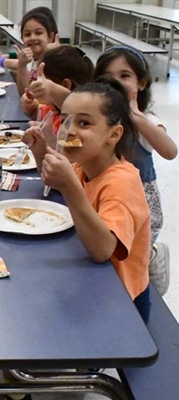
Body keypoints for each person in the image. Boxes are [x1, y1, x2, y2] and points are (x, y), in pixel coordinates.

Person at [0, 78, 151, 400]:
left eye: (85, 122)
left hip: (116, 307)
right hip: (82, 281)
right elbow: (60, 199)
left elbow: (102, 251)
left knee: (10, 324)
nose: (70, 131)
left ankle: (19, 398)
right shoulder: (86, 163)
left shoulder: (121, 182)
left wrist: (72, 188)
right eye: (67, 119)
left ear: (114, 134)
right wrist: (40, 154)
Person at [94, 46, 177, 296]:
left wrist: (135, 116)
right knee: (112, 250)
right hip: (109, 197)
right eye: (108, 77)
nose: (116, 83)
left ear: (141, 83)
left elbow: (170, 150)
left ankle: (152, 258)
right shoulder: (100, 118)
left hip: (141, 206)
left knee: (132, 253)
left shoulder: (146, 119)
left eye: (124, 76)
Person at [20, 45, 95, 126]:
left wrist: (51, 88)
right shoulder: (53, 109)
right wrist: (32, 109)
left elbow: (70, 104)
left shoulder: (78, 118)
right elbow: (38, 113)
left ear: (65, 85)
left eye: (44, 81)